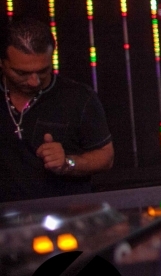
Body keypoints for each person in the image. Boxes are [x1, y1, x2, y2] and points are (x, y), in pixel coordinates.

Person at [0, 18, 113, 201]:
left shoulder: (78, 97)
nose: (34, 81)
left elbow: (106, 157)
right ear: (2, 63)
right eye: (22, 73)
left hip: (66, 212)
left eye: (43, 71)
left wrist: (68, 163)